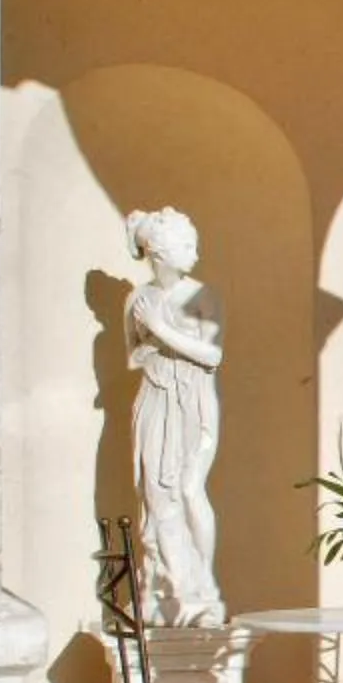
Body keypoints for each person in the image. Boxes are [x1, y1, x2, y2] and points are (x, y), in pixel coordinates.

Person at [123, 206, 225, 625]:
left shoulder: (203, 296)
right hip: (155, 397)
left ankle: (204, 590)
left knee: (187, 488)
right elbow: (132, 355)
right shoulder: (137, 299)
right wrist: (153, 346)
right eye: (187, 246)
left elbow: (214, 354)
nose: (195, 254)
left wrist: (162, 333)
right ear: (159, 253)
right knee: (155, 495)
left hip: (195, 402)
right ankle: (166, 588)